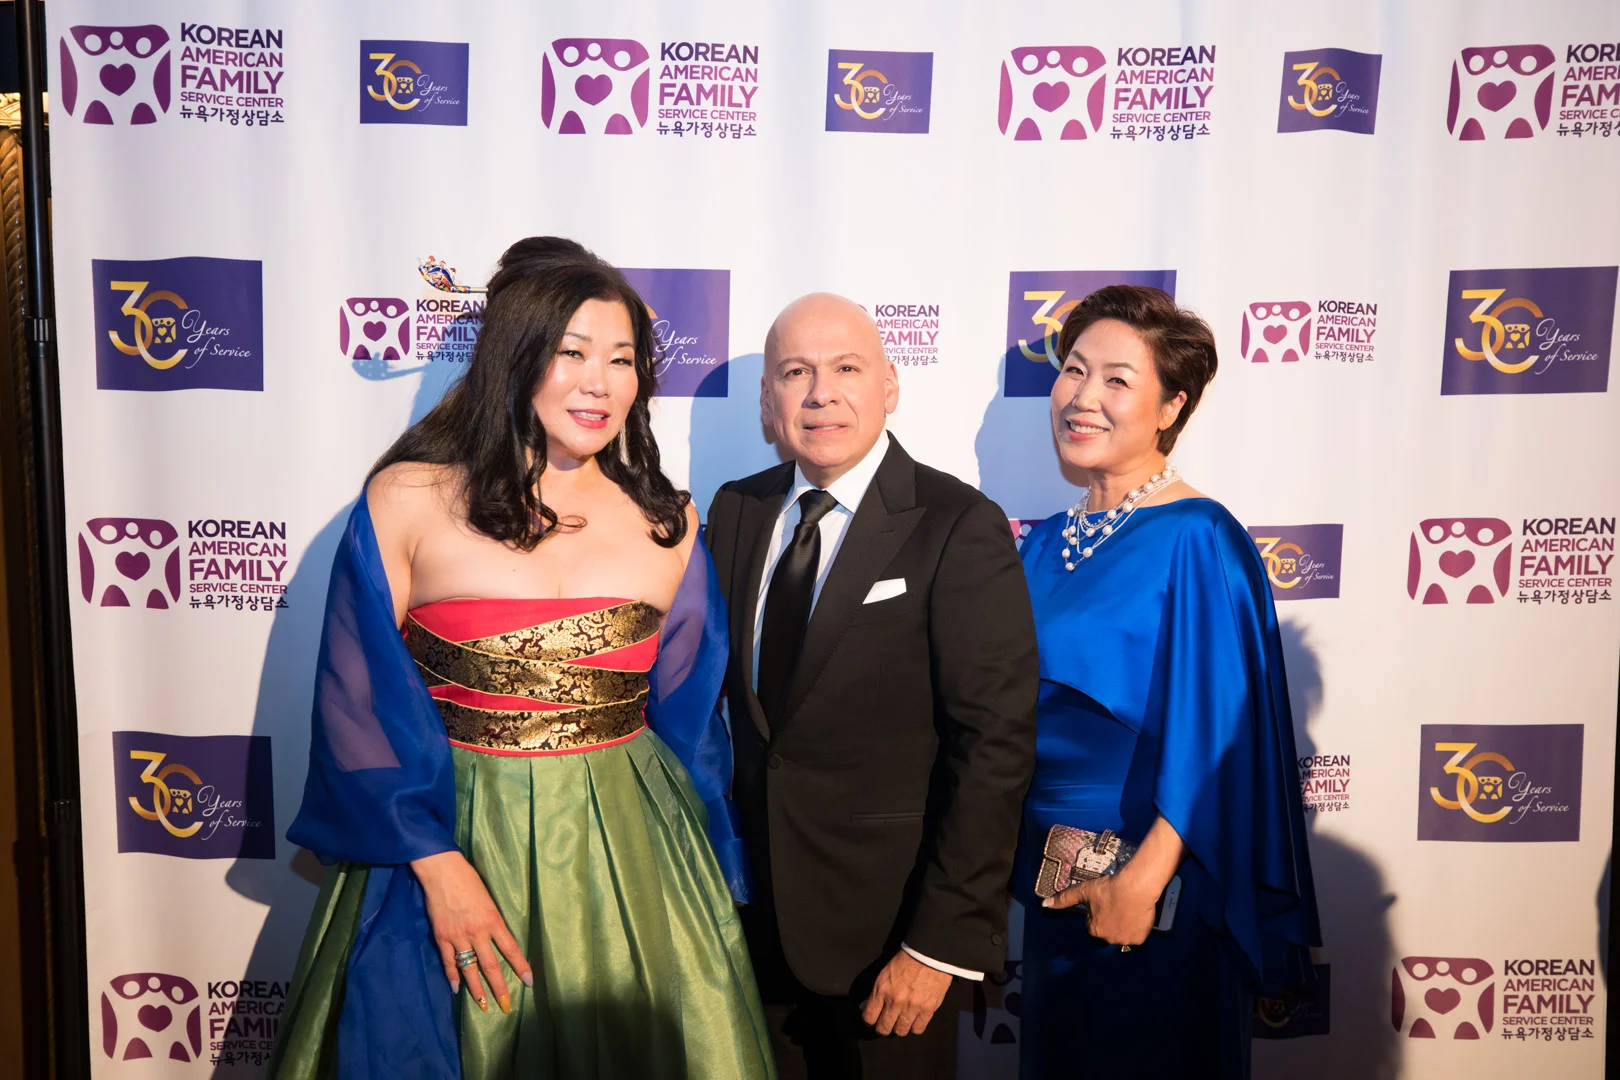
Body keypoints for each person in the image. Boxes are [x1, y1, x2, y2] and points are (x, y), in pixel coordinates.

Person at [270, 238, 775, 1079]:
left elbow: (691, 725)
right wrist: (437, 866)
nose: (599, 382)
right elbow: (357, 704)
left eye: (621, 359)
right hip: (449, 838)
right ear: (516, 355)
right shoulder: (409, 498)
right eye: (572, 352)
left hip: (632, 854)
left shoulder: (670, 523)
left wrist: (710, 868)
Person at [704, 293, 1039, 1079]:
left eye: (847, 368)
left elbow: (993, 746)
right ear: (767, 403)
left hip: (891, 946)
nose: (821, 394)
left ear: (890, 386)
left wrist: (939, 942)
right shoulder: (738, 509)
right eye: (796, 372)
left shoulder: (957, 522)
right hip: (749, 935)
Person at [1014, 285, 1321, 1078]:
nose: (1083, 397)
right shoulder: (1041, 544)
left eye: (1117, 380)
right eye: (1074, 370)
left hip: (1158, 894)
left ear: (1171, 406)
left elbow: (1221, 737)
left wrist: (1141, 884)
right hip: (1053, 890)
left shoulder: (1199, 535)